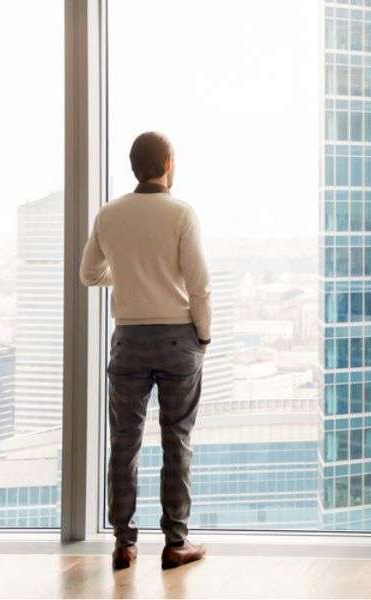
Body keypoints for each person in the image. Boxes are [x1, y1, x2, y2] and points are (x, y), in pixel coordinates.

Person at [79, 131, 210, 570]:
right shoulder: (180, 213)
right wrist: (203, 336)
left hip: (129, 339)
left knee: (124, 443)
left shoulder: (109, 214)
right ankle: (175, 543)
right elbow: (198, 284)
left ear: (134, 164)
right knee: (177, 441)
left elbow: (89, 274)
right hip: (178, 338)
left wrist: (132, 278)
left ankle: (124, 543)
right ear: (168, 162)